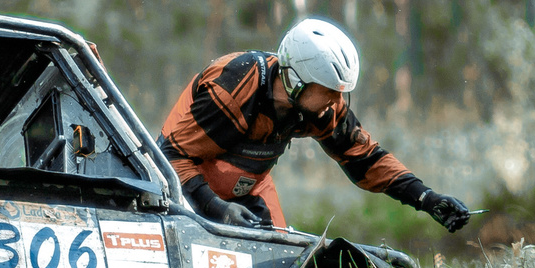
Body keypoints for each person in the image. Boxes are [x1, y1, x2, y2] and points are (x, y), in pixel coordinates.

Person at [159, 18, 471, 232]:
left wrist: (426, 198)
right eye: (330, 91)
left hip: (248, 187)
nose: (337, 102)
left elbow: (364, 157)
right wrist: (216, 208)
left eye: (341, 93)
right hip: (183, 185)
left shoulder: (319, 106)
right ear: (296, 80)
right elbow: (171, 157)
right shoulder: (234, 87)